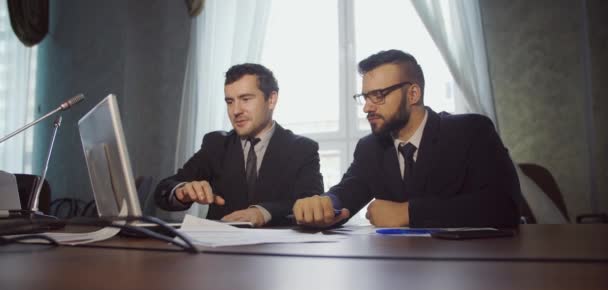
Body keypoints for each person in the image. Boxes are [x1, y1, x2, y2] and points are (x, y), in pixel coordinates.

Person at [293, 50, 521, 228]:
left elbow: (505, 205)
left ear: (413, 94)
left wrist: (408, 212)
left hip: (470, 272)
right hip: (395, 273)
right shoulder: (370, 147)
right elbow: (348, 191)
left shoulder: (470, 131)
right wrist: (324, 204)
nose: (366, 107)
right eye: (365, 96)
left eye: (378, 96)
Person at [155, 63, 323, 227]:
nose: (235, 111)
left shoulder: (302, 149)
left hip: (278, 251)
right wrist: (181, 191)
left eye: (245, 99)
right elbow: (163, 190)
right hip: (220, 251)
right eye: (230, 101)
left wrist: (263, 212)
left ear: (271, 99)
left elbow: (313, 203)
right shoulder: (216, 144)